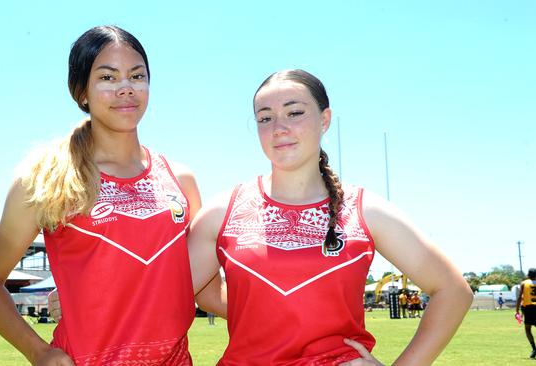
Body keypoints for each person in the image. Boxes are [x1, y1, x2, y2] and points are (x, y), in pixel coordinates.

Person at [186, 69, 473, 365]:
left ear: (324, 120)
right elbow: (197, 293)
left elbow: (452, 290)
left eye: (294, 112)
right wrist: (278, 312)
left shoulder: (367, 211)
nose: (279, 128)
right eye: (265, 118)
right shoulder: (221, 212)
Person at [0, 25, 204, 365]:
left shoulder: (181, 180)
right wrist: (40, 353)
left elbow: (197, 281)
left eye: (137, 76)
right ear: (82, 92)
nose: (126, 88)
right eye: (107, 78)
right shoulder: (47, 179)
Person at [516, 268, 536, 358]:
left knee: (528, 329)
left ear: (528, 275)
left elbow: (520, 297)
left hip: (528, 308)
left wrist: (517, 310)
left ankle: (534, 348)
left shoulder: (524, 283)